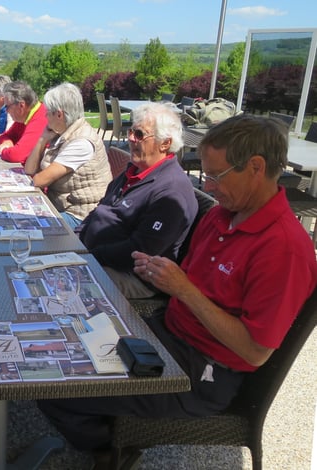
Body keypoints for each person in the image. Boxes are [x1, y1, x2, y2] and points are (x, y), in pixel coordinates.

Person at [38, 114, 317, 460]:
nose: (208, 187)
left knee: (55, 386)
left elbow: (254, 351)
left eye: (215, 176)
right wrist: (160, 274)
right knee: (60, 345)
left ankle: (110, 453)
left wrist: (183, 289)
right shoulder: (222, 215)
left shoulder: (284, 248)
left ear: (256, 168)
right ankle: (111, 422)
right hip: (166, 334)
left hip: (203, 371)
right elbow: (188, 282)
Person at [77, 102, 197, 299]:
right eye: (131, 132)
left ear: (165, 143)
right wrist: (75, 239)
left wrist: (89, 255)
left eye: (139, 134)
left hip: (131, 275)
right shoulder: (136, 170)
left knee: (68, 285)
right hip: (96, 255)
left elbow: (139, 251)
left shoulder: (171, 191)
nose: (131, 139)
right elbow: (100, 209)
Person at [24, 82, 112, 228]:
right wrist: (42, 139)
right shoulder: (63, 132)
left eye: (47, 112)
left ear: (59, 114)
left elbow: (39, 180)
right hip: (61, 205)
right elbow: (29, 170)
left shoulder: (81, 142)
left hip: (80, 215)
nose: (45, 116)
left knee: (26, 226)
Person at [0, 80, 48, 164]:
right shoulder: (24, 116)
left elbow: (16, 156)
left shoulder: (40, 119)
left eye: (7, 106)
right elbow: (5, 136)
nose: (6, 111)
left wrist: (3, 150)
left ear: (21, 105)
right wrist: (7, 142)